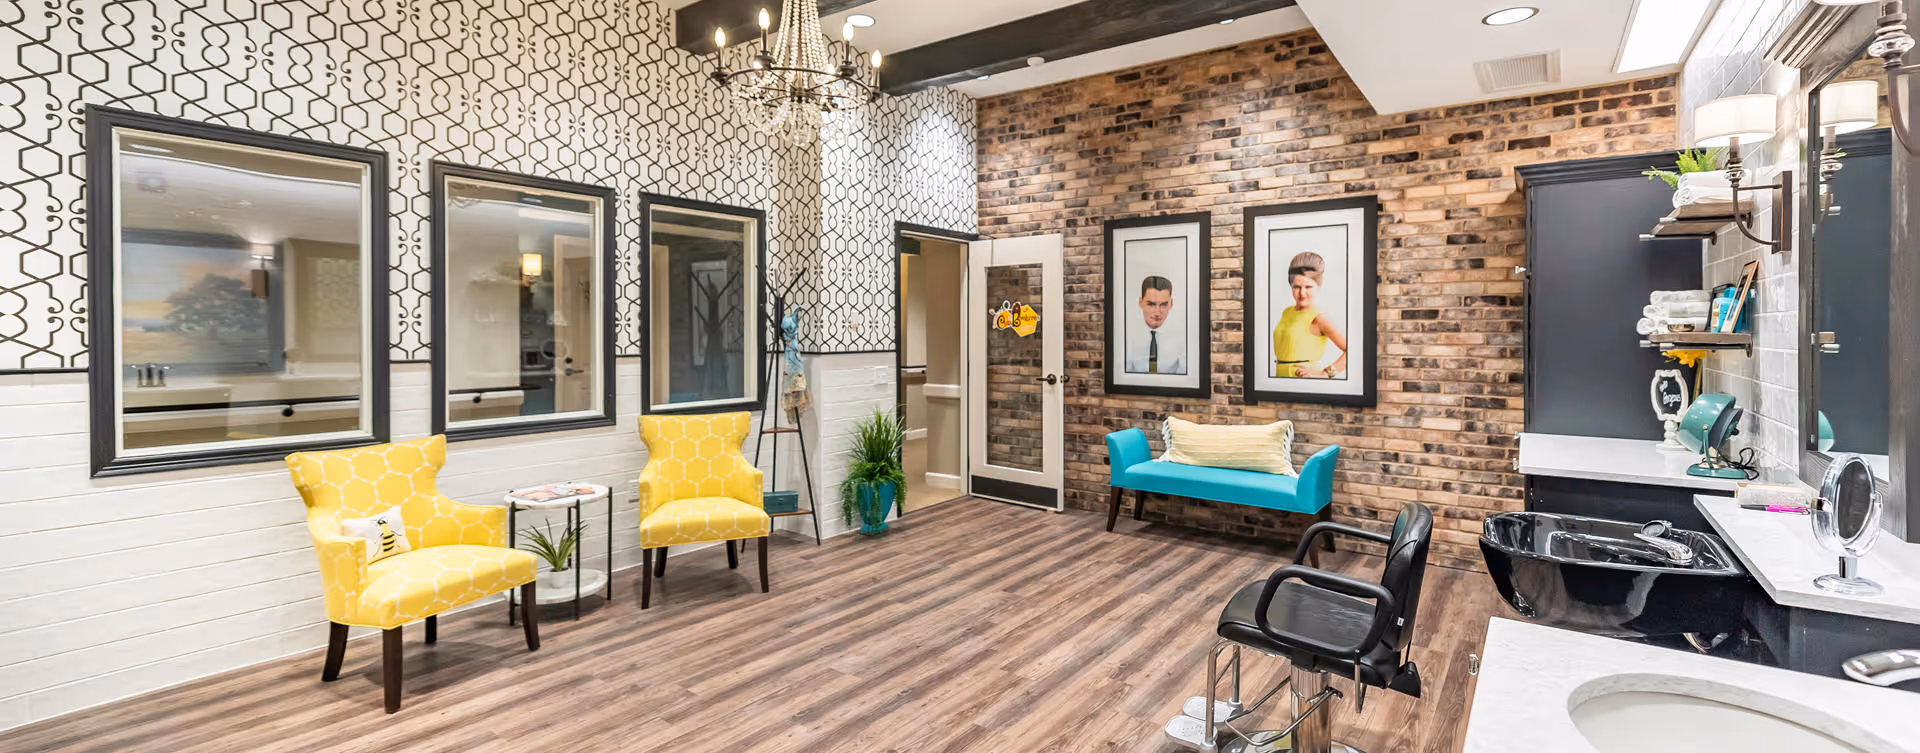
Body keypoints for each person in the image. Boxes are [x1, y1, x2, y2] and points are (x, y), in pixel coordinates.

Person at [1272, 252, 1347, 379]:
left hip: (1304, 382)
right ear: (1291, 287)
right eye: (1297, 287)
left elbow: (1356, 351)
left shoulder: (1320, 318)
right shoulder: (1287, 312)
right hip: (1280, 380)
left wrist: (1324, 373)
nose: (1302, 293)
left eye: (1308, 287)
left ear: (1318, 286)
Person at [1124, 275, 1185, 375]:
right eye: (1151, 304)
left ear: (1171, 304)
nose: (1157, 312)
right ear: (1140, 302)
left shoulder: (1183, 338)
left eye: (1164, 304)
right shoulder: (1127, 335)